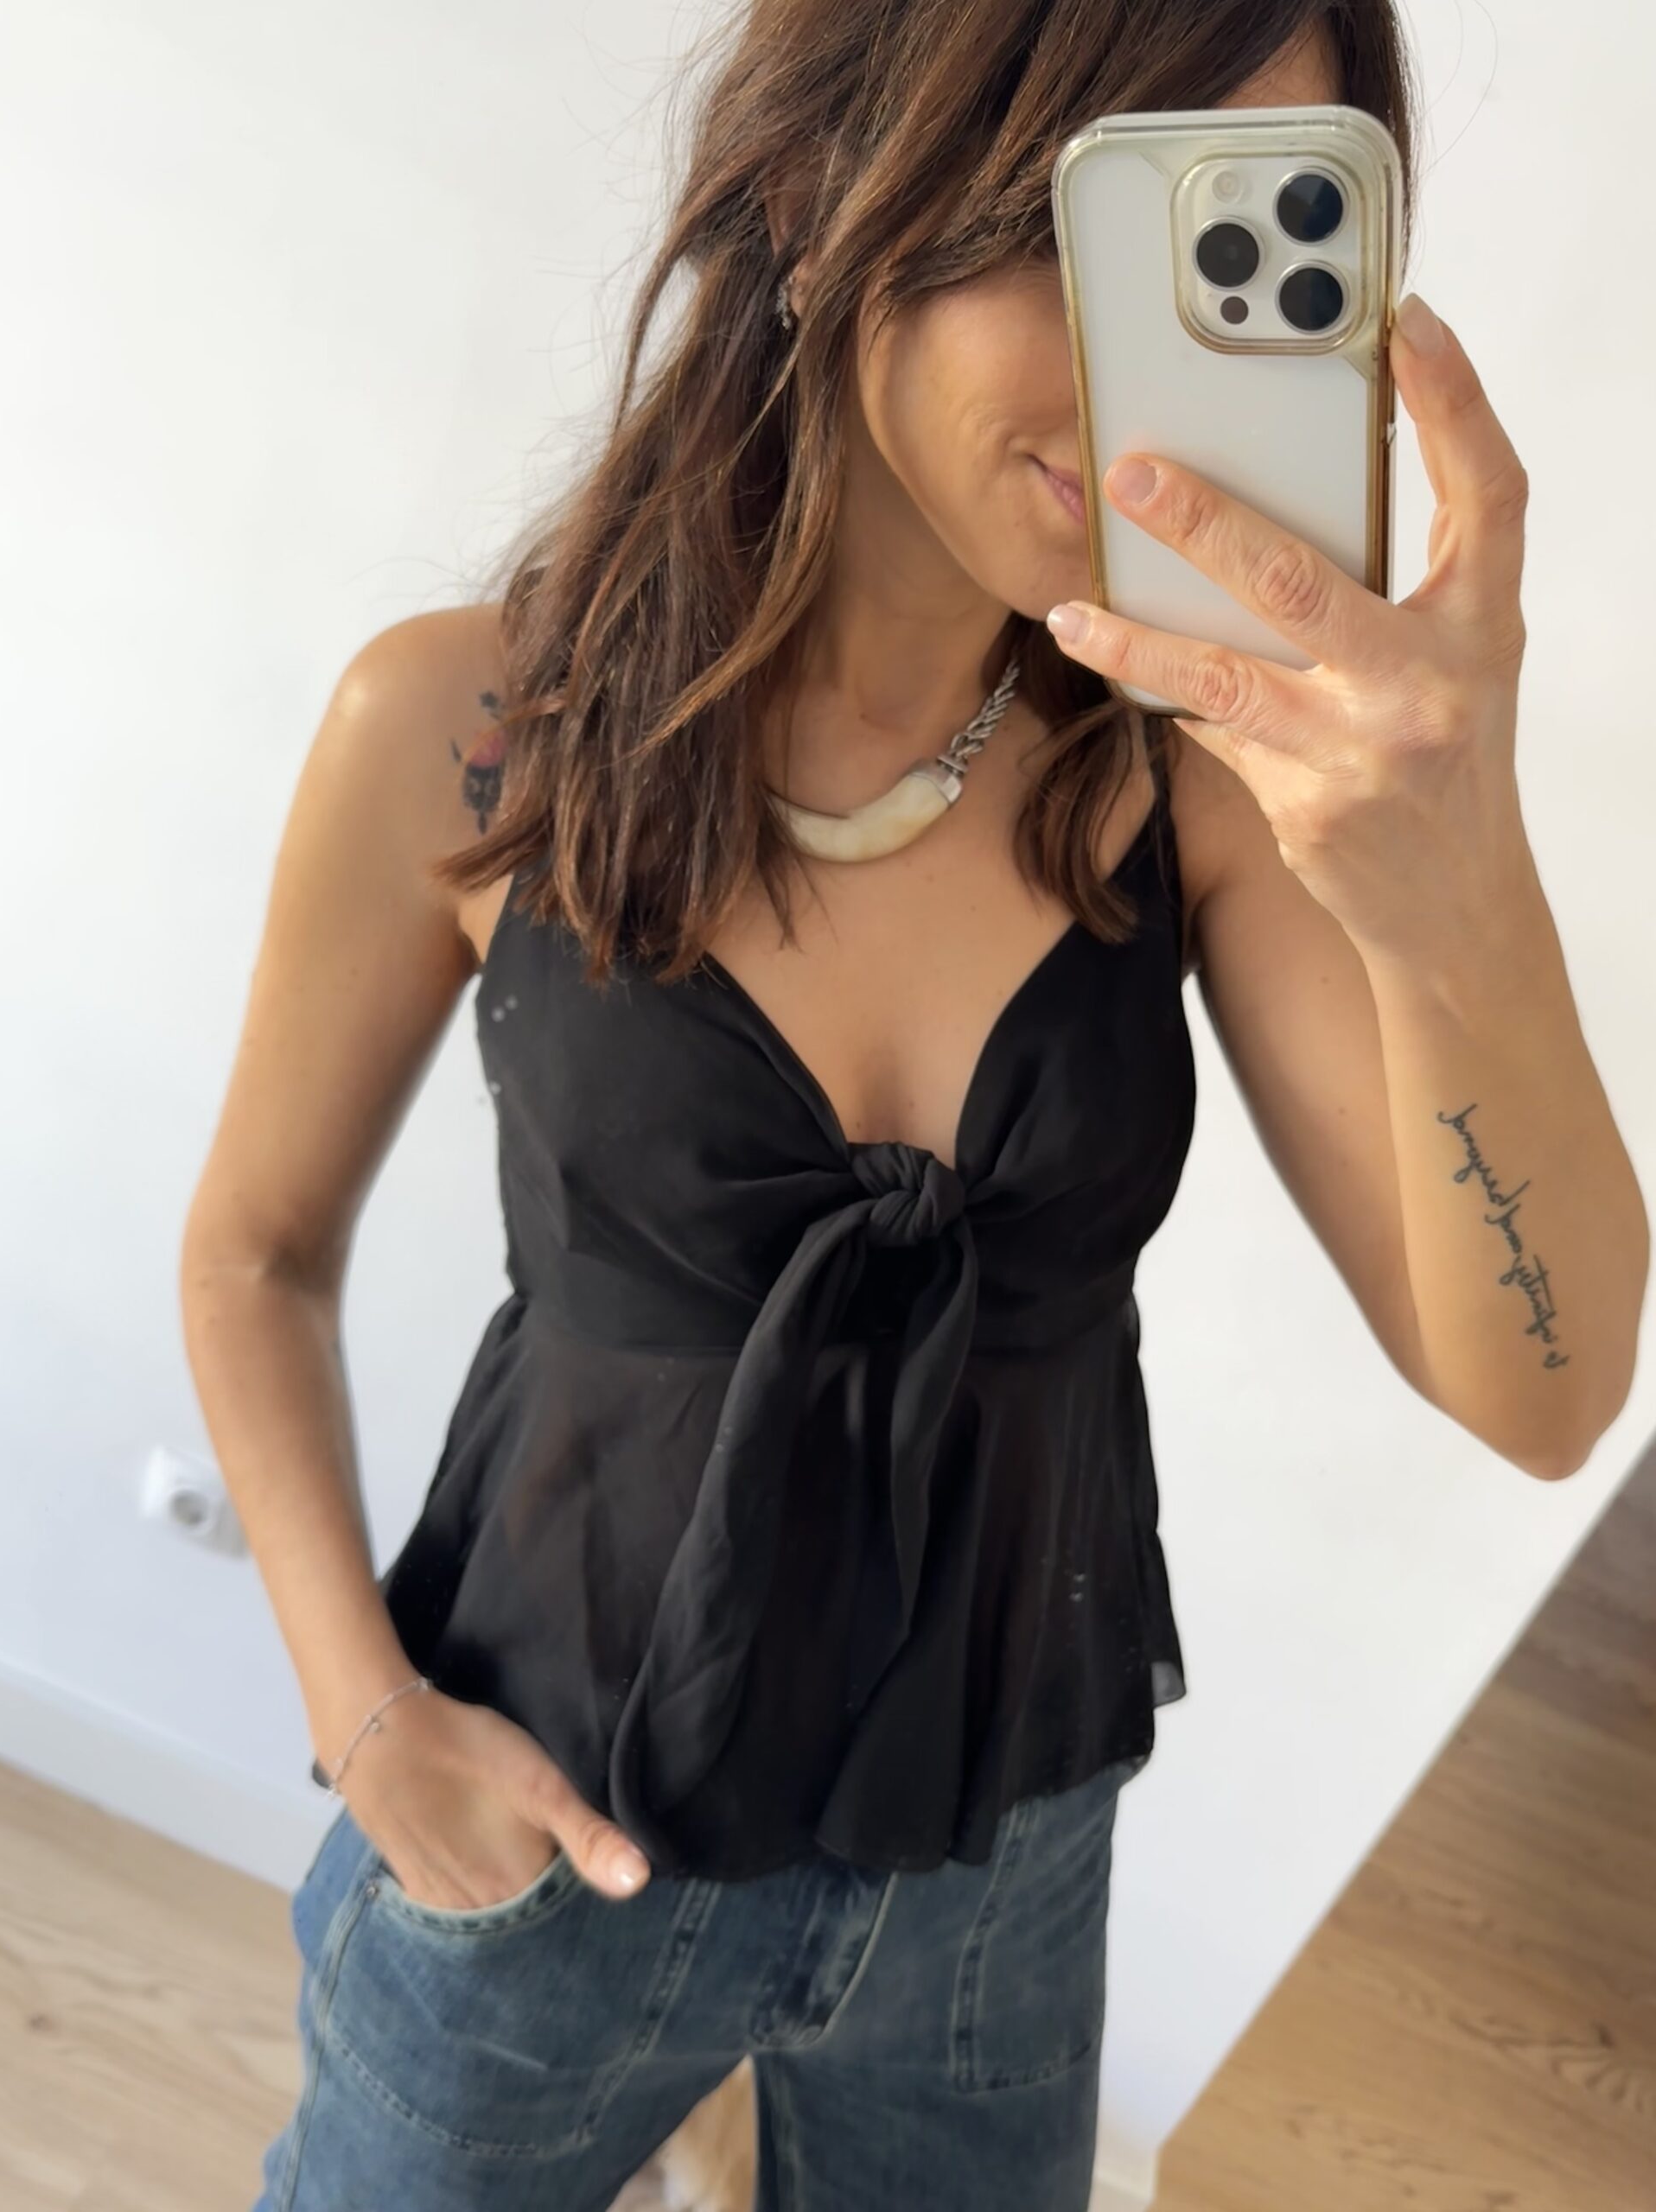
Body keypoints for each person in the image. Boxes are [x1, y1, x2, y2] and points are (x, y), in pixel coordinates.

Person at [182, 1, 1645, 2206]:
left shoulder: (1192, 794)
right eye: (1079, 217)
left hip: (996, 1871)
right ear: (822, 185)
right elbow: (253, 1252)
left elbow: (1548, 1390)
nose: (1139, 367)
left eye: (1223, 250)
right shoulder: (468, 731)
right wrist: (365, 1712)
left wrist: (1461, 881)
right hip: (547, 1826)